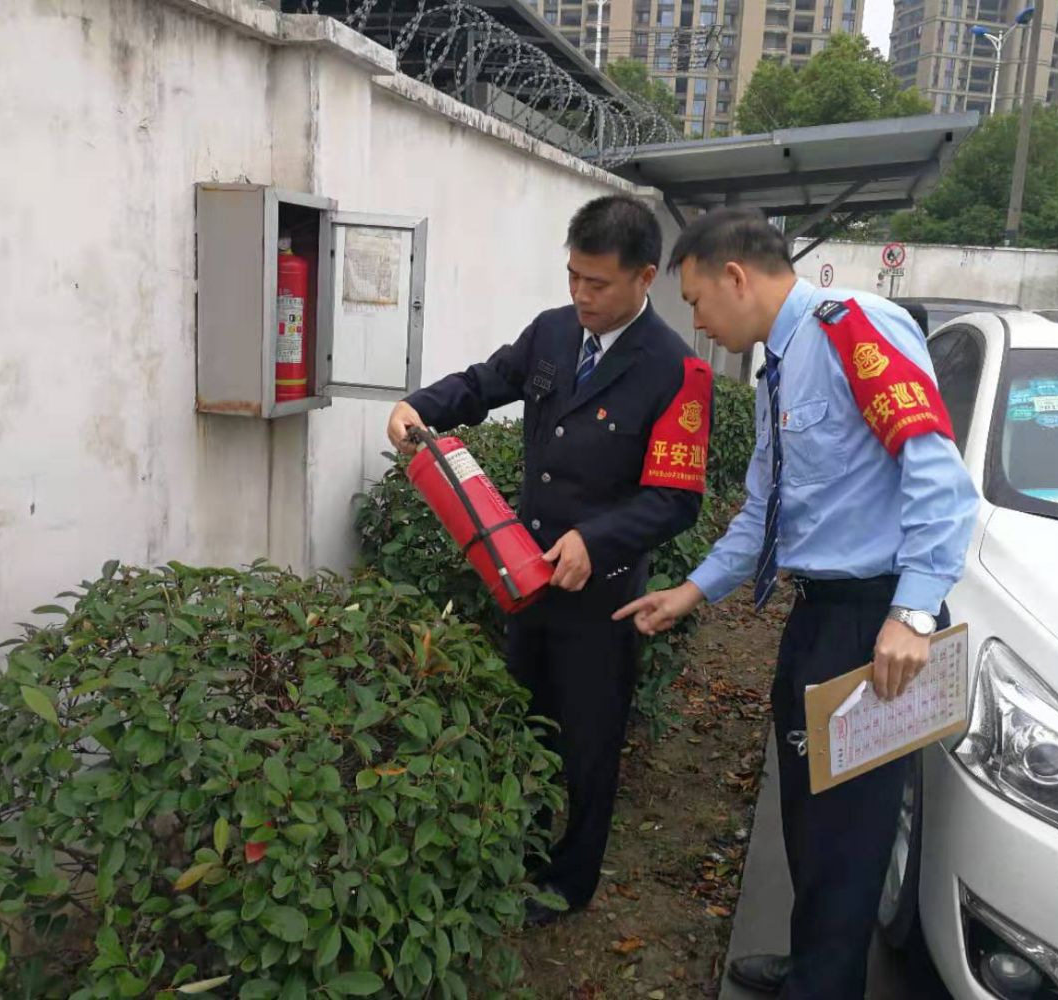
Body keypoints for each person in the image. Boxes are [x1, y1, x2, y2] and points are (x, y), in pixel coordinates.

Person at [614, 209, 977, 998]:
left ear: (734, 277)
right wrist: (690, 591)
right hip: (819, 617)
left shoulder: (852, 329)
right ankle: (813, 962)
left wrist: (911, 613)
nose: (698, 322)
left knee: (849, 832)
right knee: (811, 812)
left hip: (874, 623)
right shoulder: (778, 368)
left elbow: (936, 473)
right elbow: (764, 510)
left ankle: (824, 985)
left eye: (697, 300)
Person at [386, 195, 713, 926]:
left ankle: (570, 881)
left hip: (602, 598)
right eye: (573, 276)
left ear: (644, 278)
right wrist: (420, 406)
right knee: (523, 721)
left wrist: (598, 540)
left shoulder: (674, 370)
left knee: (590, 743)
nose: (581, 295)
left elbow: (674, 499)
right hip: (526, 582)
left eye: (598, 283)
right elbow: (484, 383)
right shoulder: (552, 333)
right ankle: (521, 851)